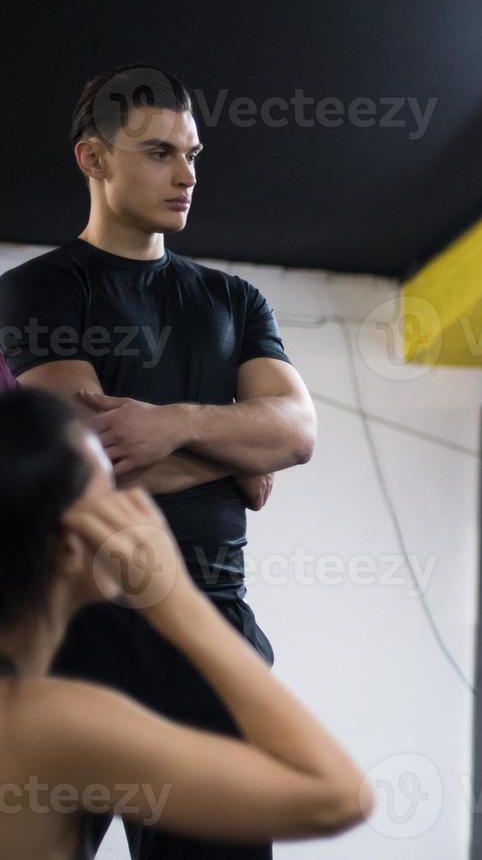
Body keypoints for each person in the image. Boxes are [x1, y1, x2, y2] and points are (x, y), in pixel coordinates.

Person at [0, 64, 317, 858]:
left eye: (193, 153)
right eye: (158, 152)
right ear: (94, 159)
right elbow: (88, 464)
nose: (186, 175)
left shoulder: (233, 301)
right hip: (80, 632)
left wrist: (171, 424)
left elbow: (298, 432)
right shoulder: (40, 290)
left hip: (213, 628)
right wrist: (237, 452)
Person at [0, 387, 371, 859]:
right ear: (71, 546)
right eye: (112, 494)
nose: (134, 506)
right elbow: (335, 795)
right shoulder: (53, 722)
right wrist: (175, 598)